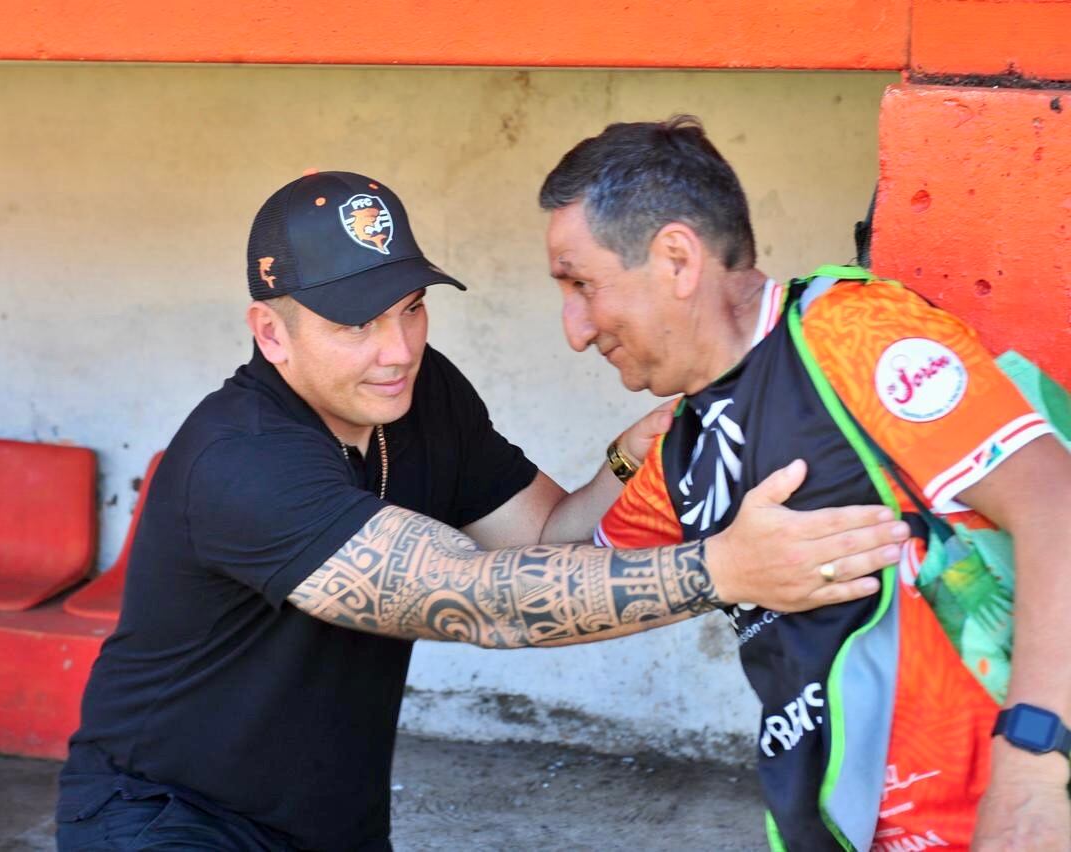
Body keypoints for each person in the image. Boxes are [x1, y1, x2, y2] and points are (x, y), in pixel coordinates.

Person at [55, 170, 910, 851]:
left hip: (326, 823)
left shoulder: (421, 397)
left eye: (412, 309)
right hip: (165, 819)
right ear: (272, 335)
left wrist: (633, 453)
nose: (398, 351)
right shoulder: (240, 459)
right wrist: (722, 569)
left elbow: (542, 536)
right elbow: (478, 599)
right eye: (356, 325)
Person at [540, 118, 1071, 850]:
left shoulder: (847, 335)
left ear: (675, 259)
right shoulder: (686, 446)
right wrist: (626, 457)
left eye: (581, 284)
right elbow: (557, 566)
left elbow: (1060, 509)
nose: (574, 328)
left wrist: (1033, 777)